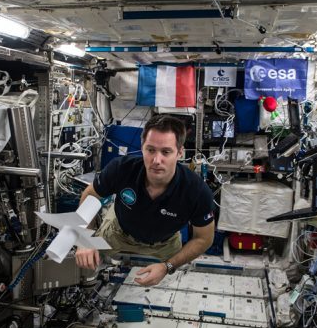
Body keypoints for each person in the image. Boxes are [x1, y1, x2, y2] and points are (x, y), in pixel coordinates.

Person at [75, 115, 215, 286]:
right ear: (142, 148)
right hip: (118, 232)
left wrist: (167, 266)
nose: (157, 160)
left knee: (173, 284)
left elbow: (204, 239)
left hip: (165, 243)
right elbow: (90, 195)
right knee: (84, 264)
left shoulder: (196, 191)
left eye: (166, 152)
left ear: (180, 153)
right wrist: (84, 239)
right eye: (150, 150)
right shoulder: (121, 168)